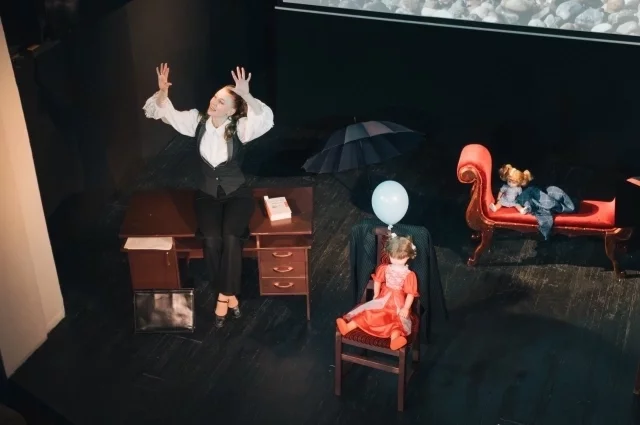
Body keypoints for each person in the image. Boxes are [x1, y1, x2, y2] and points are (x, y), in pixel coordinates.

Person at [142, 63, 274, 328]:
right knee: (212, 239)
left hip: (236, 194)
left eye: (221, 101)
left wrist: (247, 95)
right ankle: (229, 294)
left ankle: (222, 297)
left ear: (231, 110)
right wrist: (163, 93)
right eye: (215, 97)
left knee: (231, 236)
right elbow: (164, 112)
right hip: (207, 194)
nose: (214, 102)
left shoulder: (240, 128)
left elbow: (264, 119)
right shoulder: (197, 122)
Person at [336, 234, 419, 350]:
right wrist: (376, 294)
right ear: (389, 254)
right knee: (367, 313)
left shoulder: (409, 275)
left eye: (401, 258)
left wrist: (405, 308)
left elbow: (410, 293)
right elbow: (378, 281)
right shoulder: (385, 268)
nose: (397, 261)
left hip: (397, 305)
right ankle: (348, 327)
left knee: (396, 323)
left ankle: (395, 340)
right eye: (393, 257)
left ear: (408, 256)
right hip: (383, 299)